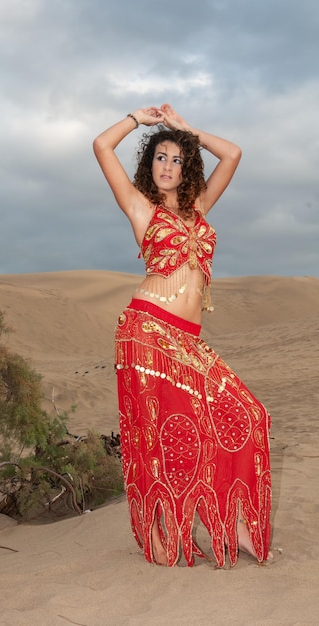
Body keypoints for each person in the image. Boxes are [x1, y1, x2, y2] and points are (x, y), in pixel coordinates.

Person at [93, 104, 272, 568]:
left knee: (248, 415)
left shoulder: (199, 207)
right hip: (147, 333)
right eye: (160, 158)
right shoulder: (139, 207)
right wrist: (138, 119)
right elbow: (100, 145)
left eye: (177, 159)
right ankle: (161, 533)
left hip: (187, 340)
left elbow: (231, 153)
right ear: (148, 165)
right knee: (165, 440)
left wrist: (187, 131)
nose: (168, 166)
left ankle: (233, 526)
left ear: (187, 165)